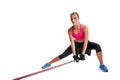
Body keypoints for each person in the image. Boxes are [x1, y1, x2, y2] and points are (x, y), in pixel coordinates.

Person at [41, 12, 108, 72]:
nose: (73, 20)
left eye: (75, 18)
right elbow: (72, 44)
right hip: (76, 44)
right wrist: (74, 55)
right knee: (63, 54)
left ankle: (101, 65)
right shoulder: (70, 30)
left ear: (78, 18)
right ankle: (49, 63)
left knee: (97, 46)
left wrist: (82, 54)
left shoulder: (85, 27)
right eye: (71, 19)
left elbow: (86, 42)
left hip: (85, 43)